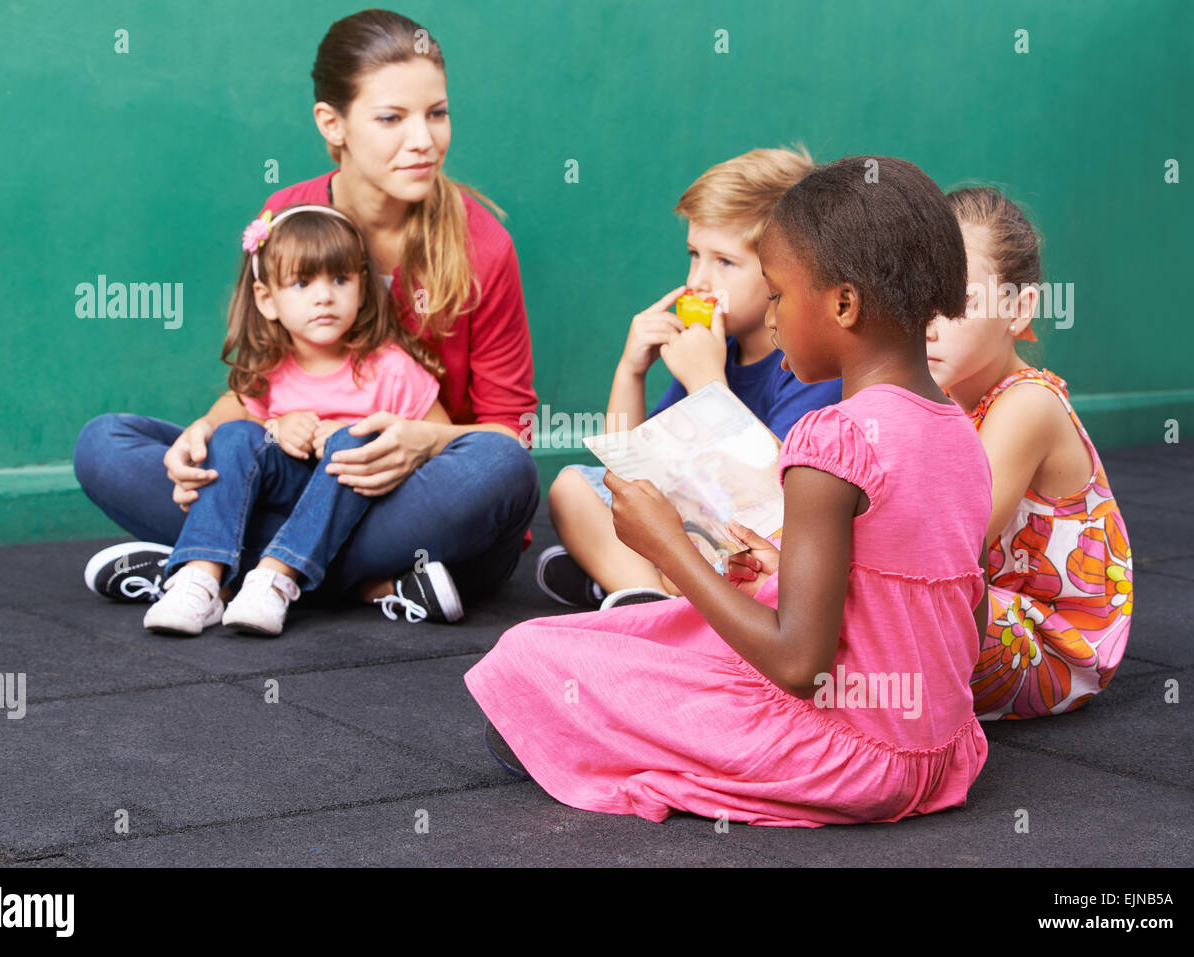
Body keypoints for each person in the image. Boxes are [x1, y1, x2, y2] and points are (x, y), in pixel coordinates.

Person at [466, 156, 994, 827]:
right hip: (944, 750)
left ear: (843, 304)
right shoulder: (960, 433)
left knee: (529, 656)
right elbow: (963, 617)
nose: (771, 319)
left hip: (847, 755)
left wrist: (667, 546)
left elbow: (800, 664)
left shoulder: (830, 439)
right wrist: (790, 570)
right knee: (675, 625)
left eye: (777, 295)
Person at [76, 10, 539, 622]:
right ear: (333, 122)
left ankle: (210, 565)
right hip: (291, 477)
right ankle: (347, 580)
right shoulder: (287, 215)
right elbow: (261, 382)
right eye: (391, 118)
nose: (424, 139)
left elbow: (511, 431)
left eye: (437, 112)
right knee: (103, 443)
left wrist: (426, 442)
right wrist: (202, 435)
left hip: (403, 500)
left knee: (504, 471)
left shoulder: (484, 247)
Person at [538, 148, 841, 611]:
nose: (698, 280)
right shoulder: (717, 348)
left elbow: (778, 501)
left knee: (719, 552)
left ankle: (628, 585)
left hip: (762, 541)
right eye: (694, 255)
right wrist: (630, 370)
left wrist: (708, 384)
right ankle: (645, 598)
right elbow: (630, 474)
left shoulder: (809, 364)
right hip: (697, 526)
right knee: (573, 488)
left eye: (724, 262)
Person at [144, 204, 461, 636]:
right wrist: (271, 429)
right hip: (284, 501)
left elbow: (445, 444)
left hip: (366, 514)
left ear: (363, 288)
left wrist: (364, 435)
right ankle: (199, 578)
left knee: (352, 441)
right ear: (266, 299)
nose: (324, 296)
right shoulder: (271, 368)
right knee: (236, 435)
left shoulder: (390, 369)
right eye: (301, 282)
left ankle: (275, 577)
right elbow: (220, 430)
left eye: (340, 279)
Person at [927, 186, 1132, 719]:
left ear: (1017, 310)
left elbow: (952, 544)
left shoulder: (1028, 403)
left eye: (957, 300)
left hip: (1050, 644)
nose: (928, 321)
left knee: (880, 601)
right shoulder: (942, 396)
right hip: (987, 612)